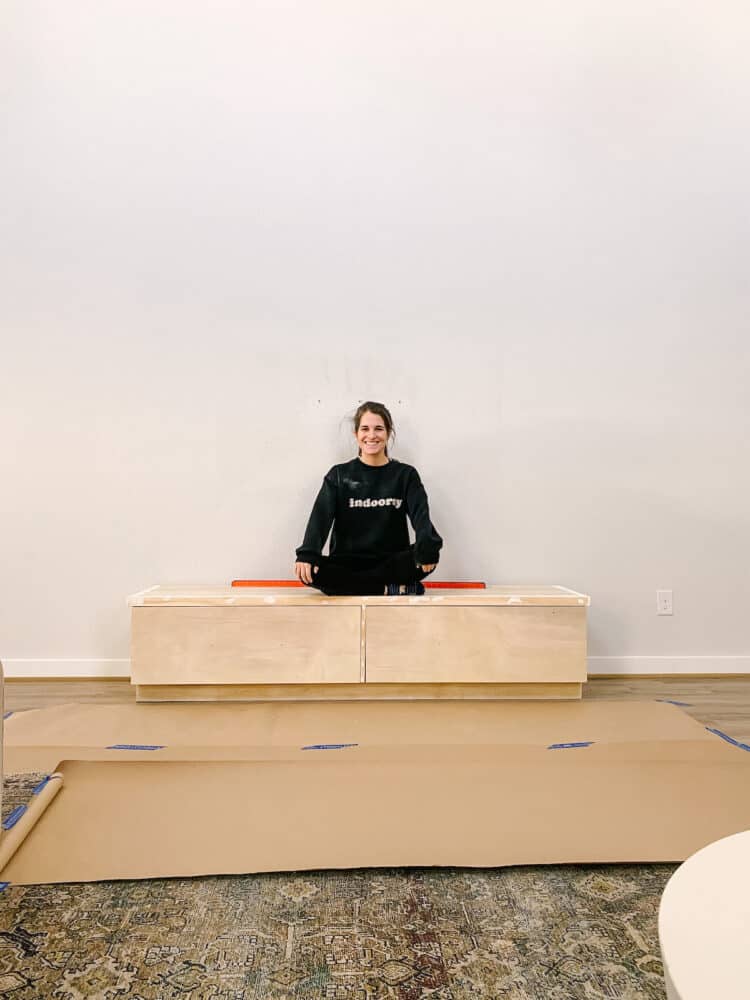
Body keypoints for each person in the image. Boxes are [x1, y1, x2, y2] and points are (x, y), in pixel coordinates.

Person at [294, 401, 443, 596]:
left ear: (388, 433)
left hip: (393, 563)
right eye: (365, 429)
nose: (371, 435)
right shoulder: (338, 475)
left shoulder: (405, 475)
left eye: (378, 429)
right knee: (310, 571)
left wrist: (427, 547)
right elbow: (319, 519)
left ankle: (355, 588)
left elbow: (421, 518)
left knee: (426, 557)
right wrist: (308, 554)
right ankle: (390, 589)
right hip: (346, 564)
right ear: (356, 434)